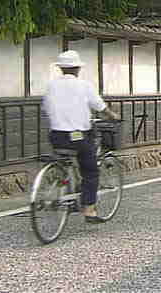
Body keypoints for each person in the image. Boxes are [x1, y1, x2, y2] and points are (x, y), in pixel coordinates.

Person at [41, 50, 118, 223]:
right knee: (90, 171)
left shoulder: (51, 86)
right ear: (77, 69)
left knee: (66, 160)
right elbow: (99, 106)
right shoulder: (84, 85)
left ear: (61, 68)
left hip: (56, 135)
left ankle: (65, 188)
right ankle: (89, 210)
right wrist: (112, 115)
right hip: (78, 136)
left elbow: (46, 108)